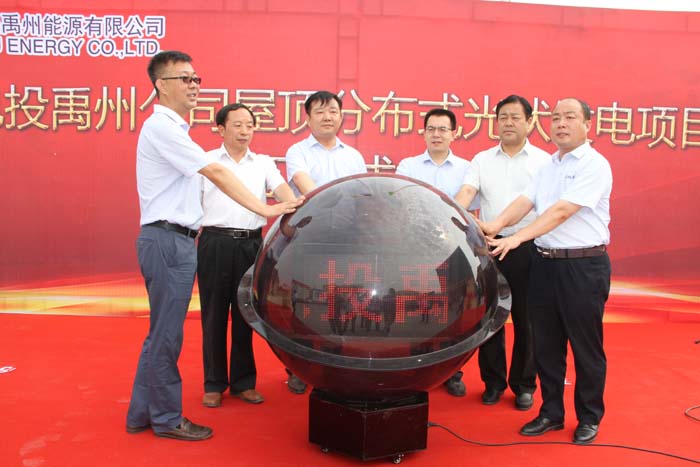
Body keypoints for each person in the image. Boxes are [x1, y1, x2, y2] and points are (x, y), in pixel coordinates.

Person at [126, 51, 301, 441]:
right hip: (169, 240)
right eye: (184, 79)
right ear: (161, 85)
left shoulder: (174, 130)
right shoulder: (163, 128)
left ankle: (142, 413)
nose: (193, 86)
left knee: (161, 333)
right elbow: (216, 171)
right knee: (167, 335)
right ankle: (166, 418)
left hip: (176, 240)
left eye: (196, 79)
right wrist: (264, 208)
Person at [478, 98, 612, 445]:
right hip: (544, 263)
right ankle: (551, 412)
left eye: (570, 117)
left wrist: (517, 237)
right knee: (547, 345)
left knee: (585, 346)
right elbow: (526, 201)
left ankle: (589, 416)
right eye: (556, 118)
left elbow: (562, 211)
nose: (561, 124)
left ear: (587, 125)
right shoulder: (549, 165)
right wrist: (496, 225)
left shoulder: (595, 164)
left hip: (582, 266)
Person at [198, 103, 297, 409]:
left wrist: (296, 205)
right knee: (213, 315)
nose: (244, 131)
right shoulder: (207, 161)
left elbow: (282, 191)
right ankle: (214, 383)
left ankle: (243, 382)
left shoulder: (263, 162)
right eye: (237, 125)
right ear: (221, 129)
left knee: (246, 314)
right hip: (215, 243)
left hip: (251, 245)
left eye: (250, 126)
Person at [454, 95, 550, 410]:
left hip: (527, 245)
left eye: (515, 117)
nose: (508, 123)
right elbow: (467, 191)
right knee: (489, 317)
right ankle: (493, 383)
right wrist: (452, 210)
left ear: (530, 122)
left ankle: (524, 385)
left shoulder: (544, 162)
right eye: (503, 117)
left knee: (527, 319)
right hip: (489, 246)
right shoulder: (482, 159)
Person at [284, 90, 367, 393]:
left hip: (347, 238)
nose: (327, 117)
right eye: (319, 112)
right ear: (307, 119)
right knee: (304, 303)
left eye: (332, 111)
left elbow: (362, 197)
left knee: (340, 302)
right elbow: (309, 189)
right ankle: (298, 367)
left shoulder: (353, 156)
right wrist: (340, 197)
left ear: (341, 117)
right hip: (309, 237)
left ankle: (336, 363)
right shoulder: (298, 152)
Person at [395, 108, 477, 398]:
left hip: (454, 248)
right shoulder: (408, 166)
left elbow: (470, 207)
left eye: (443, 129)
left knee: (453, 309)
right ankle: (417, 366)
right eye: (431, 129)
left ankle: (452, 371)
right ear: (424, 132)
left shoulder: (468, 168)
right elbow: (403, 203)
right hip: (415, 247)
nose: (437, 134)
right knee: (418, 306)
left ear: (454, 133)